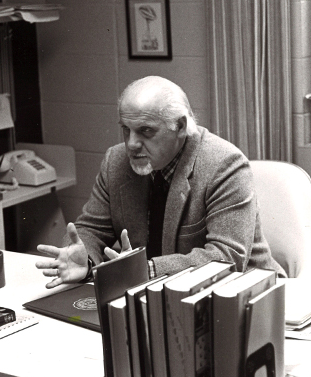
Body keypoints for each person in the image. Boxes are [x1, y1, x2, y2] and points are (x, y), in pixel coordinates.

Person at [35, 76, 282, 288]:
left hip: (246, 292)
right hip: (157, 295)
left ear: (180, 126)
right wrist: (87, 262)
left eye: (146, 131)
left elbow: (226, 257)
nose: (131, 144)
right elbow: (90, 229)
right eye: (126, 129)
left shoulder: (224, 164)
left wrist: (145, 270)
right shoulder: (115, 161)